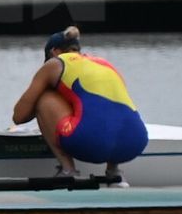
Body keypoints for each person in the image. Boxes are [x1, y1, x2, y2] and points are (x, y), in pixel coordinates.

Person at [11, 26, 148, 185]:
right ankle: (114, 173)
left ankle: (68, 171)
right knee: (107, 109)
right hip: (135, 142)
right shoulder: (104, 64)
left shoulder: (55, 63)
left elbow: (19, 116)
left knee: (43, 98)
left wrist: (42, 110)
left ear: (54, 52)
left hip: (90, 142)